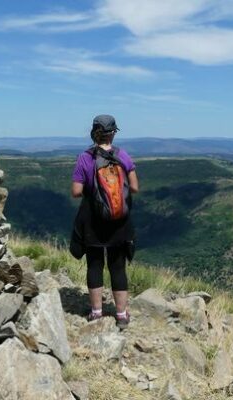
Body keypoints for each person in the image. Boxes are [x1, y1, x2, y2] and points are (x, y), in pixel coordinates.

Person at [70, 114, 139, 329]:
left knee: (95, 264)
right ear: (113, 133)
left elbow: (76, 191)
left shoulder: (85, 157)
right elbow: (135, 188)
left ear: (94, 132)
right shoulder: (123, 156)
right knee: (118, 268)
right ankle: (121, 315)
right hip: (119, 222)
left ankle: (97, 312)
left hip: (93, 221)